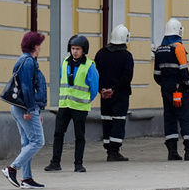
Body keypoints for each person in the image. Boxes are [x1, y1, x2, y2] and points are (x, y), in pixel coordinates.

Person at [43, 34, 100, 173]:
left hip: (80, 107)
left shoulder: (89, 66)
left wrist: (84, 100)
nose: (74, 51)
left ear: (84, 50)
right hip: (64, 105)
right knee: (58, 133)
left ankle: (78, 164)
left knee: (79, 136)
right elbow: (63, 80)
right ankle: (55, 162)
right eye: (73, 48)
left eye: (78, 49)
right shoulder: (65, 62)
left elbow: (94, 88)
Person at [153, 18, 189, 161]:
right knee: (186, 117)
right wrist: (187, 84)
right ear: (179, 31)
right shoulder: (178, 47)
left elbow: (156, 75)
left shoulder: (159, 49)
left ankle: (172, 152)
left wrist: (165, 85)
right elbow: (184, 71)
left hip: (166, 89)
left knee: (169, 117)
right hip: (180, 90)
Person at [2, 31, 48, 188]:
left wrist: (37, 111)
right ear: (35, 46)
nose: (41, 48)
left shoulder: (28, 61)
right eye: (40, 45)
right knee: (38, 141)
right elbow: (27, 87)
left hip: (22, 107)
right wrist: (30, 109)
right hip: (25, 108)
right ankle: (12, 168)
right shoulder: (27, 61)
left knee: (27, 142)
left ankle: (27, 179)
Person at [95, 24, 135, 161]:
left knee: (107, 120)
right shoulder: (126, 56)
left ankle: (108, 149)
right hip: (120, 94)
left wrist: (102, 89)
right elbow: (127, 77)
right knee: (118, 120)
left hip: (104, 95)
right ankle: (114, 151)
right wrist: (114, 89)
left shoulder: (101, 54)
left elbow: (96, 74)